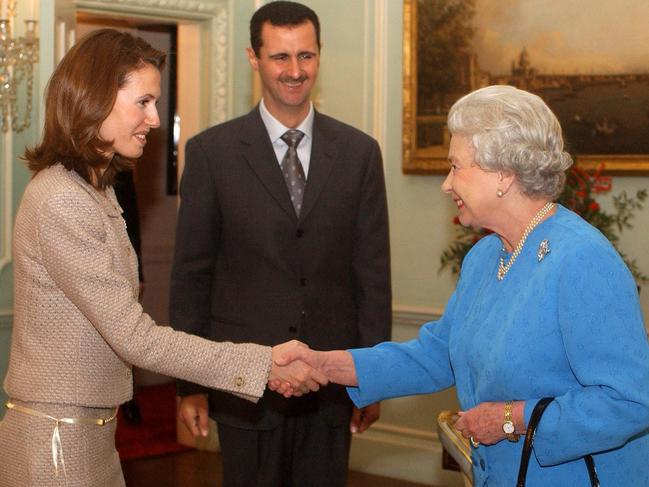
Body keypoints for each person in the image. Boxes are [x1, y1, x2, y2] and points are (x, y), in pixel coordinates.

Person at [276, 85, 649, 486]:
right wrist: (324, 364)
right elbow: (437, 355)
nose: (446, 184)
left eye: (456, 166)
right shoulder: (485, 256)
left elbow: (631, 401)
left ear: (503, 173)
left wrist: (510, 419)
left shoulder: (581, 259)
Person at [0, 29, 325, 487]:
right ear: (96, 98)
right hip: (56, 441)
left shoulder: (96, 191)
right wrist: (261, 364)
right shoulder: (60, 198)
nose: (155, 119)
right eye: (144, 101)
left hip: (87, 433)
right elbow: (135, 337)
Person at [169, 2, 391, 486]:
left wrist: (375, 375)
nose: (295, 71)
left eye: (306, 56)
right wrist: (190, 385)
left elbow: (372, 273)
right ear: (254, 57)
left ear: (319, 56)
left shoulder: (359, 154)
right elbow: (192, 276)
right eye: (280, 58)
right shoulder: (211, 154)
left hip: (332, 385)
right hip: (243, 388)